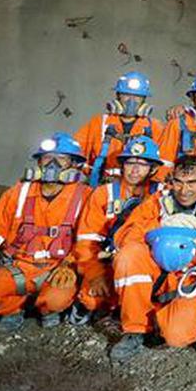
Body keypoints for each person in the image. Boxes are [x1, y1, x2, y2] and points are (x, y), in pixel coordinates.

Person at [108, 155, 196, 360]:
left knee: (176, 335)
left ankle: (164, 321)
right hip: (160, 276)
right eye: (178, 182)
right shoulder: (158, 201)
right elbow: (124, 236)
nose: (184, 190)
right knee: (129, 255)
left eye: (192, 183)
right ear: (171, 180)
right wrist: (159, 225)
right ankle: (135, 330)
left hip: (194, 281)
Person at [0, 133, 90, 330]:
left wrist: (69, 264)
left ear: (75, 165)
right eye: (47, 158)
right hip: (17, 267)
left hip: (56, 269)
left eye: (61, 159)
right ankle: (12, 308)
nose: (52, 165)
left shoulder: (85, 197)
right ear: (39, 162)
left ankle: (47, 308)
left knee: (57, 299)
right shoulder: (18, 193)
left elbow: (88, 242)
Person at [70, 135, 164, 323]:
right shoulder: (103, 194)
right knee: (91, 298)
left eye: (143, 164)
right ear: (122, 165)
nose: (135, 170)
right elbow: (87, 241)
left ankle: (135, 310)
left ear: (152, 169)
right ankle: (113, 305)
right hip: (110, 262)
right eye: (130, 163)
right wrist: (95, 274)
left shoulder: (163, 194)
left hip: (149, 264)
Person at [75, 72, 163, 187]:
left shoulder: (155, 127)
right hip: (102, 187)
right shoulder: (99, 123)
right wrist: (91, 173)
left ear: (144, 100)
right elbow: (75, 153)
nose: (131, 101)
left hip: (140, 190)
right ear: (117, 96)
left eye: (137, 97)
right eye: (126, 95)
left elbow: (164, 163)